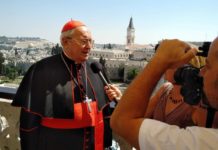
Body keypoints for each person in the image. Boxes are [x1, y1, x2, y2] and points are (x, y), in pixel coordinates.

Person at [11, 20, 122, 150]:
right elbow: (29, 121)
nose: (89, 46)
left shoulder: (96, 68)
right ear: (65, 42)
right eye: (83, 41)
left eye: (91, 41)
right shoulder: (41, 70)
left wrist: (118, 99)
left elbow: (105, 112)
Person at [111, 38, 218, 149]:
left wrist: (159, 62)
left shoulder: (199, 104)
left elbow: (121, 122)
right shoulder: (165, 90)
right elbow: (140, 114)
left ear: (187, 68)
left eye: (208, 66)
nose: (201, 73)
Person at [145, 57, 201, 128]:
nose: (163, 68)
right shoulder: (164, 89)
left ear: (184, 70)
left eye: (169, 65)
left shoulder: (196, 102)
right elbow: (142, 116)